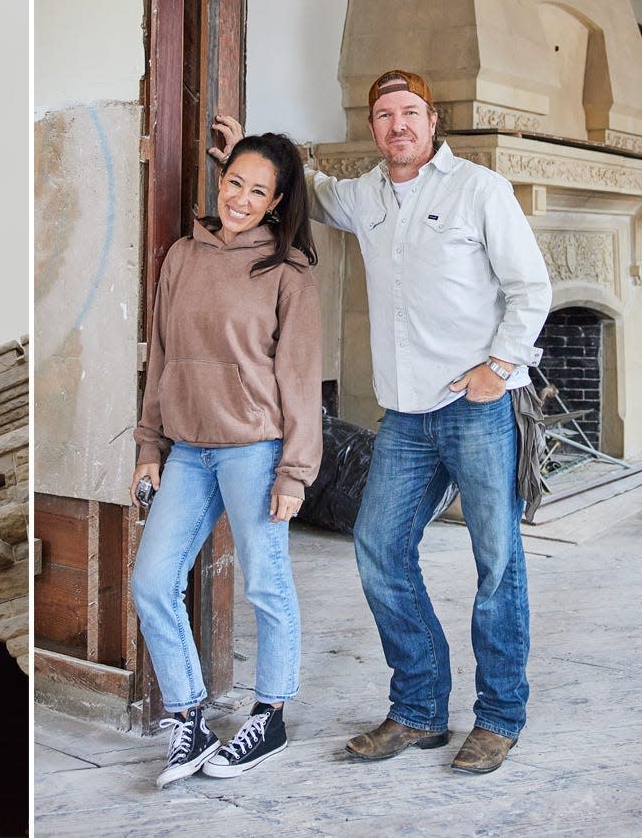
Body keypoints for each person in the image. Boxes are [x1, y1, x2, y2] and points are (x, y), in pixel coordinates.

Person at [214, 69, 552, 774]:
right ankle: (420, 709)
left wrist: (499, 365)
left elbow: (531, 286)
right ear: (374, 129)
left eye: (410, 113)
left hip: (477, 406)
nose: (398, 125)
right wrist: (243, 158)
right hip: (406, 414)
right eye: (384, 115)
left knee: (498, 564)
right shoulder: (362, 195)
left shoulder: (478, 190)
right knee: (378, 549)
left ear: (433, 121)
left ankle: (499, 717)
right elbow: (302, 184)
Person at [129, 132, 322, 788]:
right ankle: (189, 722)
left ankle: (269, 717)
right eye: (234, 182)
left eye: (258, 190)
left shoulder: (287, 273)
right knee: (152, 581)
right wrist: (148, 447)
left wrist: (295, 472)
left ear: (276, 203)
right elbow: (161, 356)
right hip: (186, 451)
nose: (241, 198)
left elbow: (298, 377)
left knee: (266, 582)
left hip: (254, 449)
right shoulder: (183, 255)